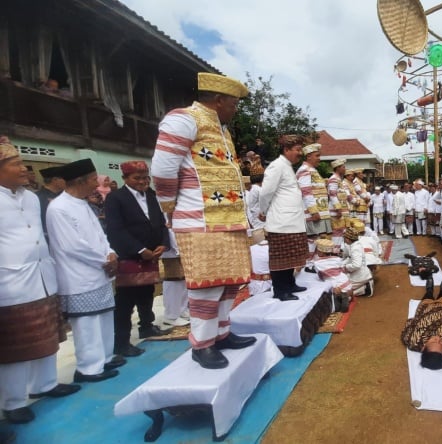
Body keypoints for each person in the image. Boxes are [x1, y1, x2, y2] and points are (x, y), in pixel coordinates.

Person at [150, 72, 256, 370]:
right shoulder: (184, 119)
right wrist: (169, 207)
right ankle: (203, 344)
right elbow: (162, 168)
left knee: (230, 282)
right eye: (234, 104)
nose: (236, 110)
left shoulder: (223, 131)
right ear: (219, 100)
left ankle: (221, 333)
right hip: (200, 220)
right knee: (206, 285)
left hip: (229, 220)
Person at [0, 139, 79, 425]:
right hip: (9, 283)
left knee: (47, 335)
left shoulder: (31, 198)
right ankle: (13, 402)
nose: (25, 169)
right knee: (16, 348)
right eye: (17, 164)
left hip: (42, 277)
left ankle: (45, 384)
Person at [47, 159, 123, 383]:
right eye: (93, 179)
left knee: (104, 318)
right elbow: (72, 246)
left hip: (100, 271)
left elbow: (100, 235)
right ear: (80, 181)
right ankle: (88, 368)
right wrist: (104, 260)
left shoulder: (83, 203)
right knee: (87, 325)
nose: (97, 184)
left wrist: (111, 253)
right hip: (78, 276)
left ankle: (104, 358)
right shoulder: (59, 208)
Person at [104, 161, 172, 358]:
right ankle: (122, 342)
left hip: (151, 254)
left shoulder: (151, 195)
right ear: (125, 179)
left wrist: (163, 243)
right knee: (126, 300)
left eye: (145, 178)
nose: (142, 182)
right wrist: (140, 249)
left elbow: (160, 222)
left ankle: (147, 326)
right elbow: (116, 230)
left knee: (147, 292)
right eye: (137, 178)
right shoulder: (115, 198)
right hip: (130, 256)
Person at [259, 134, 309, 302]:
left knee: (291, 256)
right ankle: (280, 290)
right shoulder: (277, 166)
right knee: (281, 257)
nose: (300, 153)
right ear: (286, 150)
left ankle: (290, 284)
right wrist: (263, 211)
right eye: (297, 150)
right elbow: (266, 192)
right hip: (281, 221)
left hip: (292, 221)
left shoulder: (287, 166)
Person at [401, 279, 442, 370]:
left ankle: (429, 290)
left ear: (423, 348)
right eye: (441, 344)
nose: (438, 339)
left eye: (433, 342)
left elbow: (408, 325)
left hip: (425, 307)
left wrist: (417, 318)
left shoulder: (412, 340)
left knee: (427, 296)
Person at [296, 143, 331, 251]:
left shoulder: (312, 170)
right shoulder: (305, 170)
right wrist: (314, 211)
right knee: (313, 240)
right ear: (308, 156)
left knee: (319, 240)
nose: (319, 159)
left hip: (320, 212)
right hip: (313, 212)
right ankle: (309, 265)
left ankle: (314, 264)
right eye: (317, 156)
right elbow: (306, 192)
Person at [312, 238, 353, 312]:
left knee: (324, 287)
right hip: (344, 281)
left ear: (321, 252)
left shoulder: (317, 263)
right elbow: (342, 269)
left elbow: (321, 276)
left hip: (333, 285)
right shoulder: (337, 259)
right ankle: (346, 296)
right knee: (348, 291)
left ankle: (336, 300)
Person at [343, 219, 373, 297]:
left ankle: (364, 288)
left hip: (361, 275)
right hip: (361, 273)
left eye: (345, 237)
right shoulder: (354, 245)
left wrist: (345, 267)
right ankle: (364, 288)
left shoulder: (355, 248)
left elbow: (356, 265)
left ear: (348, 239)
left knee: (343, 289)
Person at [36, 165, 65, 237]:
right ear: (55, 180)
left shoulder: (65, 196)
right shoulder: (37, 197)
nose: (67, 181)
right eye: (65, 178)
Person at [327, 158, 350, 247]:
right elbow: (332, 195)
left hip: (341, 211)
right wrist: (338, 208)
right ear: (337, 168)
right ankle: (336, 252)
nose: (345, 169)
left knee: (341, 232)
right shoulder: (333, 179)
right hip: (336, 211)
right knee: (337, 232)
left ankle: (340, 250)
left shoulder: (338, 179)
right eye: (343, 167)